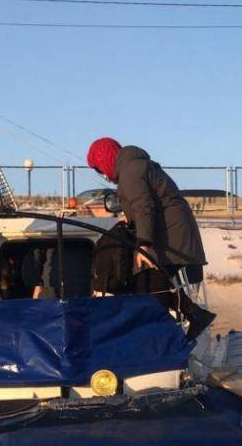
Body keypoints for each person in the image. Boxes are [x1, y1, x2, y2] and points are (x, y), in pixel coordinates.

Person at [85, 137, 215, 340]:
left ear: (105, 159)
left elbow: (143, 206)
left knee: (146, 283)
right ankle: (190, 316)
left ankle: (171, 330)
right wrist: (130, 221)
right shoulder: (136, 166)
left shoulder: (130, 172)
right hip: (173, 233)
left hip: (170, 237)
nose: (103, 175)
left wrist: (144, 244)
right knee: (149, 282)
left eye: (99, 169)